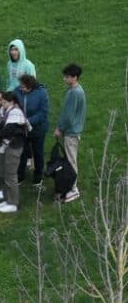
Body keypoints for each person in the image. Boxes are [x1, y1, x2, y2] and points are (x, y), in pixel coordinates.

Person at [0, 90, 28, 214]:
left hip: (13, 147)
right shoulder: (6, 111)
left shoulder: (15, 112)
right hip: (8, 146)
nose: (2, 104)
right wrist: (1, 130)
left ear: (12, 102)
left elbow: (5, 130)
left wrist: (0, 131)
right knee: (6, 174)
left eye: (5, 102)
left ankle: (14, 203)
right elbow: (1, 128)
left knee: (11, 176)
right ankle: (8, 200)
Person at [55, 63, 86, 203]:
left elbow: (68, 116)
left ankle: (73, 190)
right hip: (73, 132)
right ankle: (70, 187)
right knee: (69, 159)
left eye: (67, 77)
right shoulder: (76, 90)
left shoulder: (74, 92)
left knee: (71, 161)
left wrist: (59, 128)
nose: (64, 79)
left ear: (74, 77)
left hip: (71, 133)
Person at [17, 73, 50, 186]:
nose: (21, 88)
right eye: (20, 86)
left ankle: (38, 176)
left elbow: (43, 113)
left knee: (38, 152)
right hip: (22, 129)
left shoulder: (42, 93)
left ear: (30, 86)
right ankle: (20, 175)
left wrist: (28, 121)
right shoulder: (17, 91)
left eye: (23, 87)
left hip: (38, 129)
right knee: (22, 152)